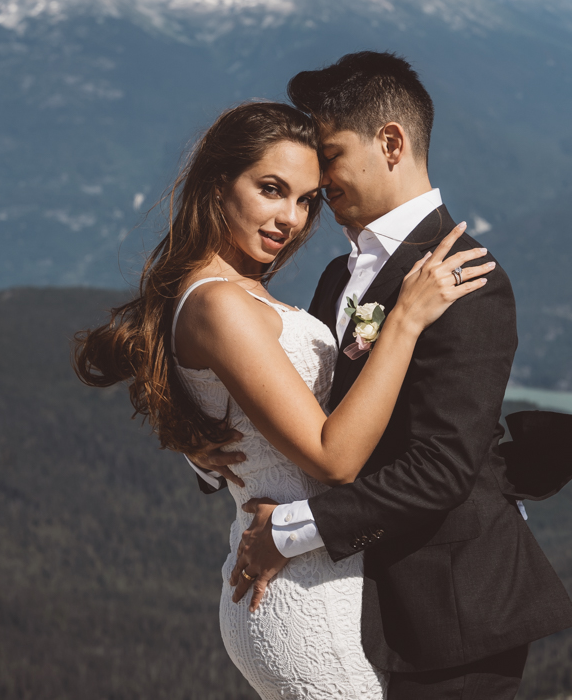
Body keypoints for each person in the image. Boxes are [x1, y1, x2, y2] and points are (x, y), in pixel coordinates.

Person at [191, 52, 572, 700]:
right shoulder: (338, 276)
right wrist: (220, 455)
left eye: (330, 153)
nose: (319, 176)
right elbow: (309, 411)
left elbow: (442, 467)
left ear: (391, 143)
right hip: (357, 602)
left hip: (452, 612)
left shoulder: (467, 280)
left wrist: (287, 532)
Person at [74, 100, 494, 699]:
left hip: (313, 579)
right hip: (299, 598)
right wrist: (404, 319)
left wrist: (208, 449)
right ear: (218, 184)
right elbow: (334, 458)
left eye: (305, 200)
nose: (290, 219)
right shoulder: (220, 303)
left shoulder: (229, 292)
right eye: (272, 190)